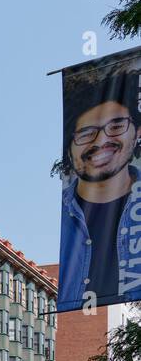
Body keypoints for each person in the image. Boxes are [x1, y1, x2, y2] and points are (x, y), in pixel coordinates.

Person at [58, 70, 141, 310]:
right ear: (69, 147)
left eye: (116, 125)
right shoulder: (64, 218)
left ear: (137, 132)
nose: (100, 141)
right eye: (86, 133)